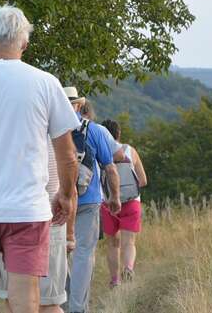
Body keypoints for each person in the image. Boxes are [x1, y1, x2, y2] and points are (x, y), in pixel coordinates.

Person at [0, 5, 79, 313]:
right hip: (27, 208)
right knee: (26, 292)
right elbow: (67, 155)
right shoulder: (45, 83)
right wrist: (67, 195)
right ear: (24, 43)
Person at [64, 87, 121, 313]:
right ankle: (77, 308)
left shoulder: (49, 129)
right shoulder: (95, 130)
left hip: (59, 200)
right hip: (88, 199)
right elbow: (110, 167)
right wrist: (115, 198)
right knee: (83, 254)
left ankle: (62, 303)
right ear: (79, 105)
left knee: (59, 254)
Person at [0, 142, 71, 313]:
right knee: (47, 303)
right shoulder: (50, 125)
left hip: (8, 219)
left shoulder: (2, 128)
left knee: (13, 300)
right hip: (47, 220)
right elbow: (69, 165)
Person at [100, 119, 147, 287]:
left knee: (113, 243)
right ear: (118, 134)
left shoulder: (100, 153)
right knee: (129, 242)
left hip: (108, 203)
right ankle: (128, 268)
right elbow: (142, 181)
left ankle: (115, 281)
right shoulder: (129, 150)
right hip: (131, 202)